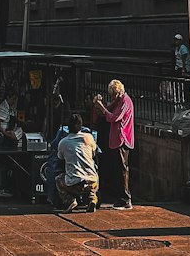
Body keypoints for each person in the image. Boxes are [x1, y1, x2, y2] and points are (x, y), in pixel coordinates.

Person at [93, 79, 134, 210]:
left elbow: (113, 117)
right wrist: (100, 104)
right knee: (117, 169)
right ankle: (121, 197)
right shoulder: (118, 100)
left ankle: (125, 199)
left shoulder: (125, 102)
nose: (112, 97)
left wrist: (102, 107)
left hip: (122, 139)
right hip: (116, 138)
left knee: (122, 169)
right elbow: (107, 109)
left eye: (113, 95)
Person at [54, 113, 99, 212]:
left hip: (73, 184)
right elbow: (93, 154)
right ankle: (92, 199)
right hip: (91, 181)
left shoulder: (63, 142)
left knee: (58, 179)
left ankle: (70, 200)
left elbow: (60, 160)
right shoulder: (89, 138)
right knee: (94, 171)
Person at [0, 89, 23, 198]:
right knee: (3, 163)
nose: (14, 101)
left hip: (6, 137)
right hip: (1, 138)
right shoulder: (3, 108)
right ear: (8, 97)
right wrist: (6, 133)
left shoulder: (10, 108)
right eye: (13, 99)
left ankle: (6, 186)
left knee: (7, 163)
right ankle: (1, 188)